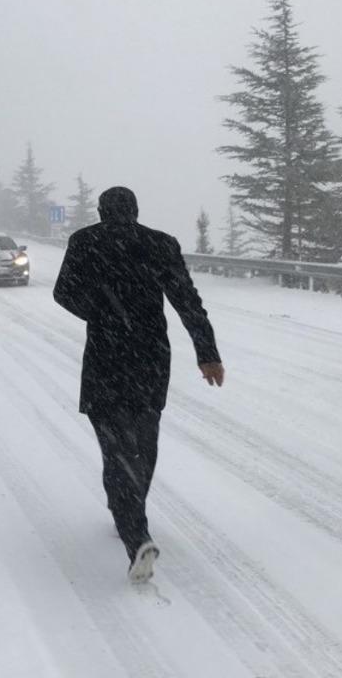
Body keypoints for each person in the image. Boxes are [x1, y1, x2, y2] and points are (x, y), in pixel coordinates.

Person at [53, 186, 224, 583]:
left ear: (100, 211)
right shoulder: (160, 244)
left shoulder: (85, 242)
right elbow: (187, 301)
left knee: (116, 449)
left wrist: (101, 312)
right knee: (143, 446)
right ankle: (130, 516)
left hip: (105, 360)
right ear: (135, 210)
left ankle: (135, 531)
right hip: (149, 360)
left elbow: (64, 293)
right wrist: (208, 354)